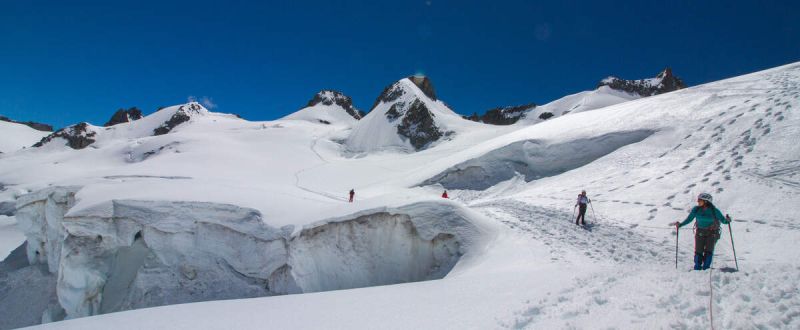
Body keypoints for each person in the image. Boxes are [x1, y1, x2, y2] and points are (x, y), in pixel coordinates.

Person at [671, 193, 731, 270]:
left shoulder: (714, 210)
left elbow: (723, 220)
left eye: (700, 200)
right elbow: (689, 219)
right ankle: (697, 267)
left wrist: (728, 220)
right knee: (698, 251)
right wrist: (681, 224)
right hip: (700, 232)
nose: (698, 201)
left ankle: (706, 268)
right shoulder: (696, 209)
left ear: (706, 201)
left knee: (708, 251)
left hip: (712, 233)